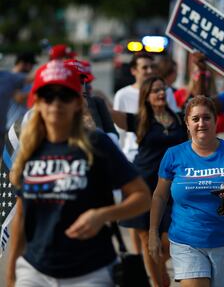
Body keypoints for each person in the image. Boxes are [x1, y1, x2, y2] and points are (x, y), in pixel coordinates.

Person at [6, 60, 151, 287]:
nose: (56, 103)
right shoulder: (31, 148)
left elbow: (142, 197)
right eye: (48, 96)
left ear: (77, 102)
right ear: (38, 102)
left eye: (64, 95)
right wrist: (12, 273)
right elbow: (22, 216)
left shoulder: (97, 144)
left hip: (90, 272)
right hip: (35, 271)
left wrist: (102, 215)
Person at [148, 96, 224, 287]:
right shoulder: (174, 154)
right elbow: (159, 196)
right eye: (195, 119)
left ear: (216, 120)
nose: (201, 123)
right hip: (186, 240)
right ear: (187, 123)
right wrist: (153, 233)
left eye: (207, 118)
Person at [112, 76, 188, 287]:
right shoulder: (139, 121)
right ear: (146, 96)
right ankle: (159, 284)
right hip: (144, 184)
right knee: (147, 240)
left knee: (168, 240)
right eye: (155, 90)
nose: (161, 93)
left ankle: (160, 270)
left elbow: (200, 99)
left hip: (173, 186)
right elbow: (108, 113)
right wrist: (88, 93)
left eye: (163, 89)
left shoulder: (181, 119)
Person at [5, 52, 37, 130]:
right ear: (24, 64)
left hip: (22, 127)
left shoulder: (24, 78)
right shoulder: (9, 78)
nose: (32, 67)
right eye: (32, 64)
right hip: (11, 126)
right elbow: (19, 98)